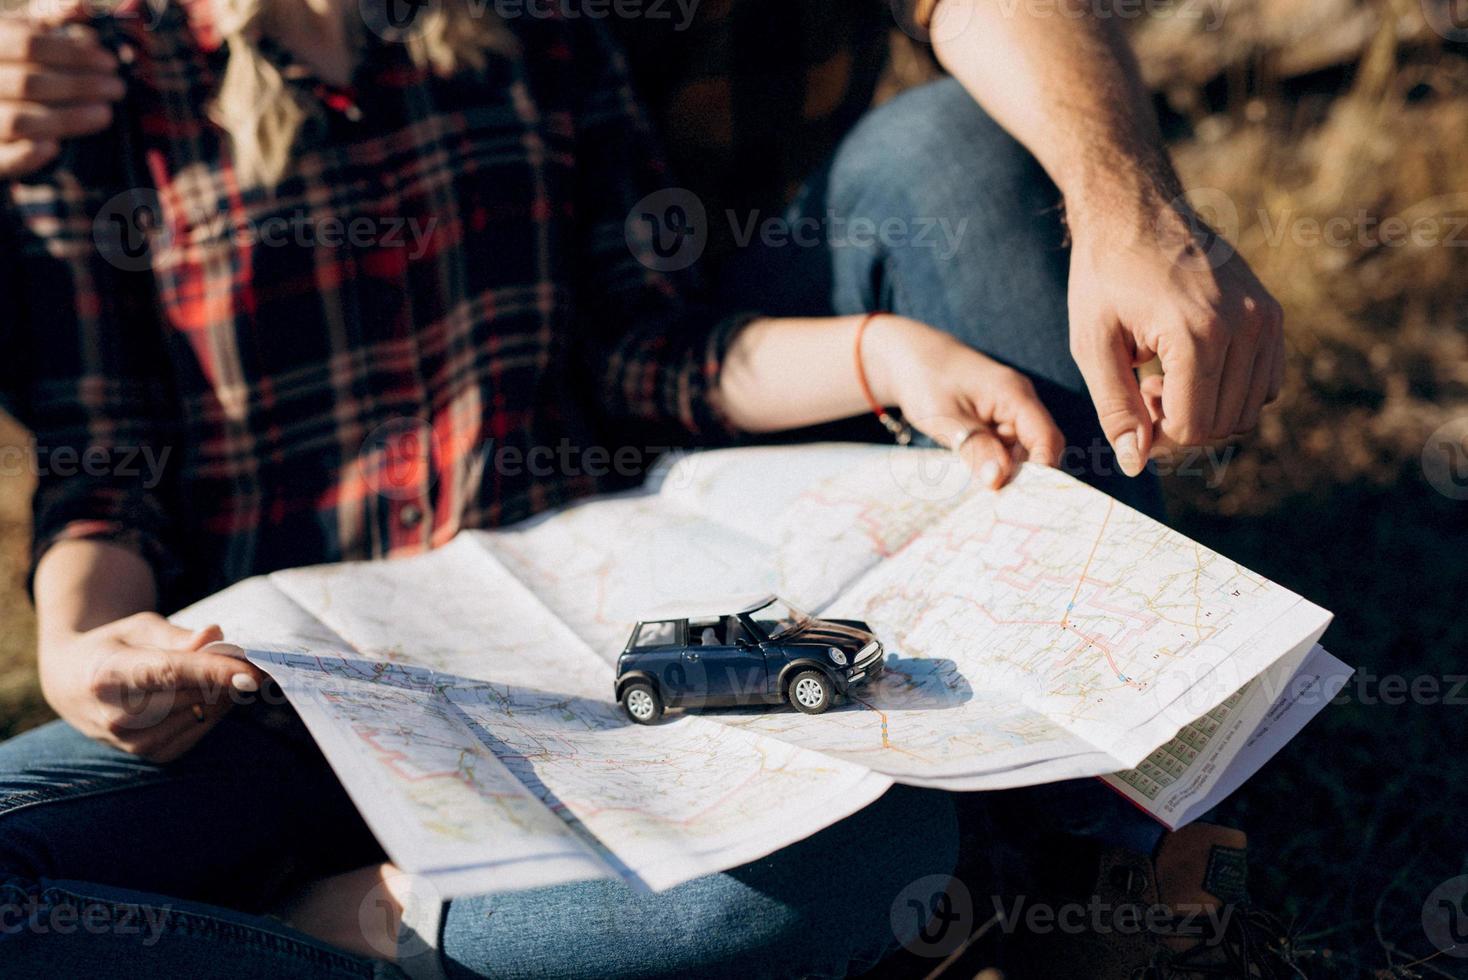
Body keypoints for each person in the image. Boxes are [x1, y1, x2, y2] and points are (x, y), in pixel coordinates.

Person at [0, 1, 1294, 977]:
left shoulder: (518, 34)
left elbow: (643, 346)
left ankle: (340, 924)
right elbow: (103, 476)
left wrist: (878, 353)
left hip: (565, 675)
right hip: (278, 695)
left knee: (862, 863)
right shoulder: (88, 77)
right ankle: (391, 929)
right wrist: (74, 647)